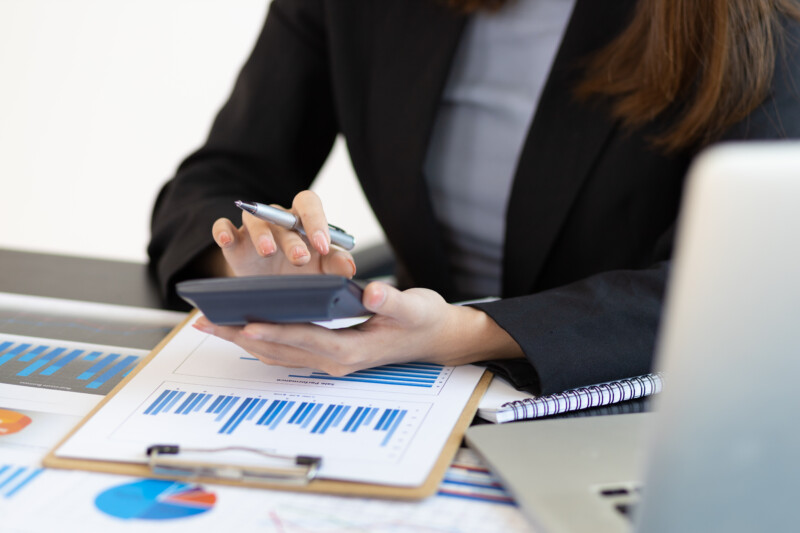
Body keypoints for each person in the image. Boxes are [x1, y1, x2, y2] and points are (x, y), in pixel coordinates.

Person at [148, 0, 800, 396]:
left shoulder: (758, 20)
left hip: (632, 405)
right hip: (409, 389)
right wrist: (248, 268)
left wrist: (462, 334)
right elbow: (218, 178)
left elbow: (747, 288)